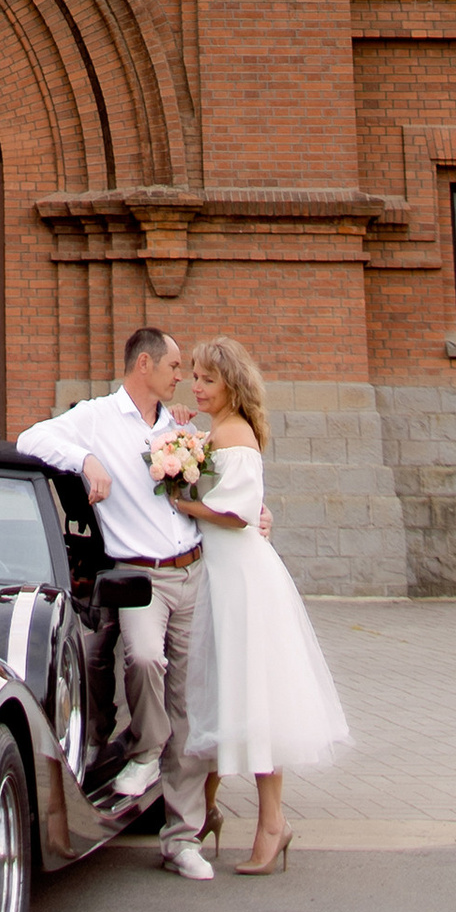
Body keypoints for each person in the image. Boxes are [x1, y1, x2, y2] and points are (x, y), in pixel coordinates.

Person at [16, 327, 216, 881]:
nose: (181, 377)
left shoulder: (178, 426)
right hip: (140, 576)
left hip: (193, 569)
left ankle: (182, 839)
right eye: (174, 366)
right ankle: (145, 750)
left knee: (188, 707)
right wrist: (85, 459)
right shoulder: (98, 417)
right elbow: (29, 439)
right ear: (144, 364)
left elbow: (200, 495)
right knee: (145, 658)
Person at [169, 333, 349, 873]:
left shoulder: (234, 434)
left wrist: (185, 503)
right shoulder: (216, 431)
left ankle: (272, 824)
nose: (197, 387)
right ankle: (204, 812)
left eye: (208, 379)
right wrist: (182, 435)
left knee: (251, 695)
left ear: (232, 384)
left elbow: (239, 511)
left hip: (241, 578)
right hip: (221, 575)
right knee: (220, 691)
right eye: (194, 377)